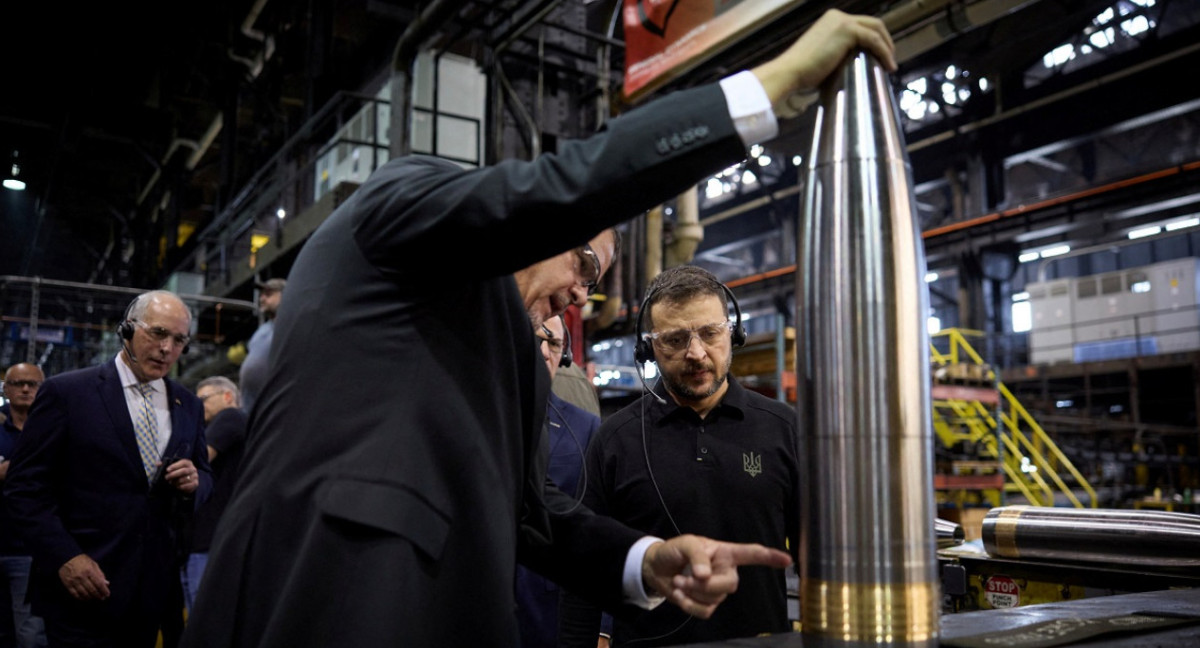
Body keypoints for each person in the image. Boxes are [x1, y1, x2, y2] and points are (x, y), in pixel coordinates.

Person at [181, 11, 894, 647]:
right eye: (585, 263)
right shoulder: (398, 203)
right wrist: (770, 85)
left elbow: (530, 515)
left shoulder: (515, 360)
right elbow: (567, 186)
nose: (582, 296)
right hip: (330, 590)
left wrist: (644, 559)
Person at [559, 265, 800, 647]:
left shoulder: (785, 429)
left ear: (733, 332)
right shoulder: (615, 441)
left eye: (710, 333)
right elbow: (584, 569)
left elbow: (816, 560)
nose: (696, 352)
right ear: (648, 348)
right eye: (674, 339)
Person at [3, 290, 213, 648]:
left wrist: (195, 483)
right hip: (82, 588)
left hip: (151, 592)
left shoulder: (188, 404)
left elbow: (207, 477)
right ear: (127, 330)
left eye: (179, 340)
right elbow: (24, 488)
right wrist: (65, 557)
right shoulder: (68, 393)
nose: (167, 348)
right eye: (158, 333)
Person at [516, 316, 605, 648]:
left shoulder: (585, 427)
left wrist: (604, 628)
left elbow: (598, 519)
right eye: (537, 339)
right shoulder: (483, 413)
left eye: (554, 344)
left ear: (565, 354)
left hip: (550, 610)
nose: (544, 352)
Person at [180, 376, 248, 613]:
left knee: (205, 616)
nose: (199, 405)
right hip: (198, 542)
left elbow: (197, 459)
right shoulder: (210, 427)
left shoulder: (231, 417)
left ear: (227, 397)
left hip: (211, 542)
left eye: (205, 399)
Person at [0, 363, 47, 648]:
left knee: (30, 634)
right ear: (6, 388)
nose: (25, 389)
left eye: (32, 384)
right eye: (18, 383)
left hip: (30, 549)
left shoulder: (53, 430)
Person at [238, 278, 284, 415]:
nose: (262, 298)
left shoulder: (293, 325)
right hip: (251, 406)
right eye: (261, 295)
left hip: (276, 405)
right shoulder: (261, 331)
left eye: (268, 294)